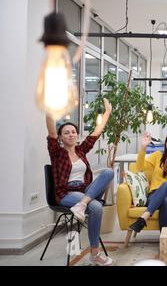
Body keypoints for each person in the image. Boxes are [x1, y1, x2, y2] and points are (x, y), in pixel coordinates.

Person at [46, 98, 114, 266]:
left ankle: (82, 204)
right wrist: (49, 107)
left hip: (84, 192)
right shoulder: (57, 153)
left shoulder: (81, 150)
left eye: (73, 132)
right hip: (66, 194)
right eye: (67, 132)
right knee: (96, 207)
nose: (71, 134)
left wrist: (107, 113)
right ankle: (94, 254)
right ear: (61, 137)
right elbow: (51, 130)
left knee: (108, 172)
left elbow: (97, 131)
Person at [128, 131, 167, 233]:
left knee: (166, 187)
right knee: (166, 200)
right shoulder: (157, 155)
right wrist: (143, 147)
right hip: (154, 195)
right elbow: (139, 167)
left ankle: (143, 218)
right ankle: (164, 237)